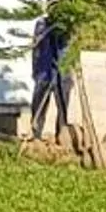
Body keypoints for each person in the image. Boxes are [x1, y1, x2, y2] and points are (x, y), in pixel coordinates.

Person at [29, 11, 71, 142]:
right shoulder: (42, 25)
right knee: (39, 105)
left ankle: (62, 137)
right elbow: (36, 49)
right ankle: (36, 135)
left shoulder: (68, 26)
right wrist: (36, 70)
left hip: (62, 73)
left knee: (63, 108)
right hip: (44, 71)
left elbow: (69, 50)